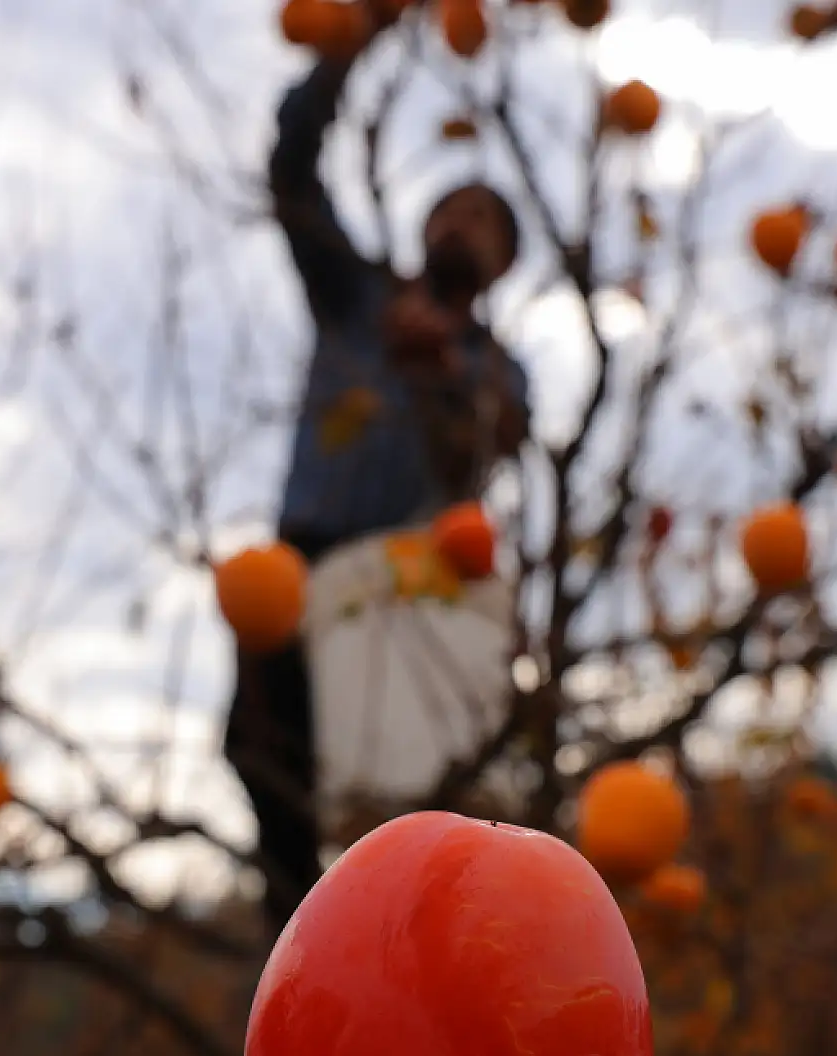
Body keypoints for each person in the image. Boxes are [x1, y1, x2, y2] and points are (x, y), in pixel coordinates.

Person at [225, 6, 532, 937]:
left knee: (400, 778)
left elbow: (493, 444)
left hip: (410, 581)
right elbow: (290, 175)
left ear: (501, 265)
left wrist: (444, 378)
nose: (462, 224)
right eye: (452, 208)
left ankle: (402, 926)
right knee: (259, 747)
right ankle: (299, 938)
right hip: (301, 557)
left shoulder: (495, 369)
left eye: (486, 222)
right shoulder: (358, 298)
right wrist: (347, 51)